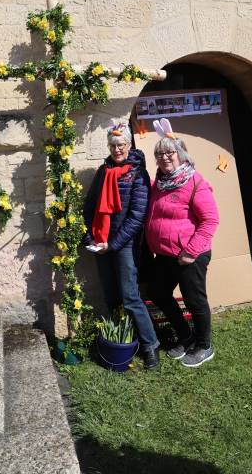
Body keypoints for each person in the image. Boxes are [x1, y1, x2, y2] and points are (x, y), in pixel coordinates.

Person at [83, 120, 160, 369]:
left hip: (123, 244)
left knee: (130, 296)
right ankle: (123, 339)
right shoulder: (103, 171)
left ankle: (151, 346)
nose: (117, 149)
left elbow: (137, 216)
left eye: (121, 144)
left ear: (129, 144)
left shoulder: (137, 173)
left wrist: (113, 244)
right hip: (101, 241)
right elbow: (90, 205)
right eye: (113, 145)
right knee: (111, 295)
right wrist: (90, 236)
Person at [145, 118, 219, 368]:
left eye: (170, 152)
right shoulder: (159, 184)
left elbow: (210, 220)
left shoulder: (195, 182)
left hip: (190, 254)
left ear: (181, 154)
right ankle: (186, 335)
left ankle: (204, 345)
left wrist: (191, 251)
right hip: (165, 254)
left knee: (194, 301)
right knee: (157, 293)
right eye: (160, 153)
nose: (165, 157)